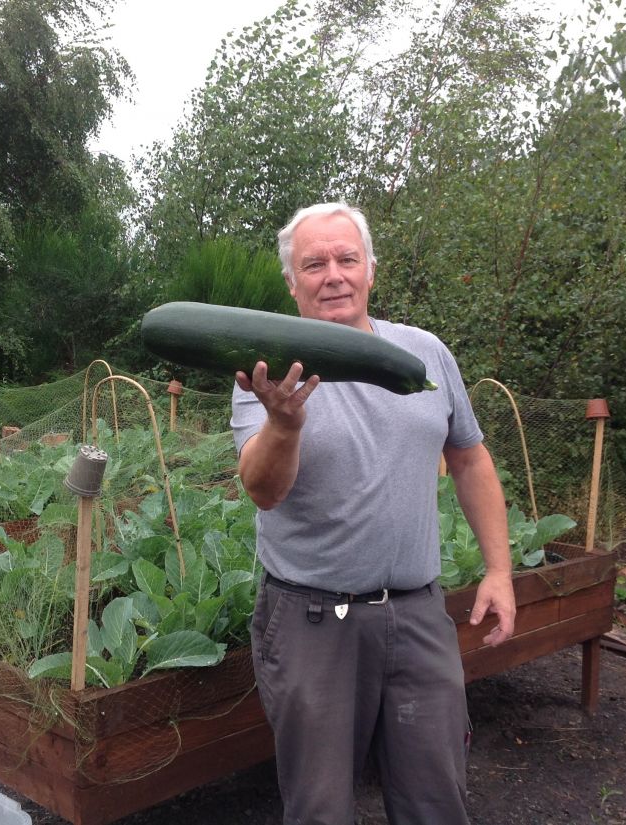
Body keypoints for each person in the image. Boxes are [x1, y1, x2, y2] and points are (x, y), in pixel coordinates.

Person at [230, 202, 516, 825]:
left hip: (418, 616)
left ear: (370, 270)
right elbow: (263, 489)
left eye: (346, 259)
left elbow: (469, 459)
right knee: (321, 810)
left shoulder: (426, 354)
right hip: (311, 624)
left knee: (436, 802)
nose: (332, 274)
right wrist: (283, 424)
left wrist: (498, 570)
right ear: (292, 282)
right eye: (314, 263)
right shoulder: (267, 368)